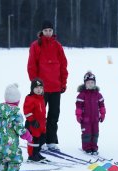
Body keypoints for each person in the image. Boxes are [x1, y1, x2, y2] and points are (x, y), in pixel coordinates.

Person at [27, 20, 68, 151]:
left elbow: (63, 66)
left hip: (56, 87)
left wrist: (63, 83)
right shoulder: (35, 46)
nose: (48, 33)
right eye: (46, 31)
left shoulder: (58, 46)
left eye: (50, 30)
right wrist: (35, 85)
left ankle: (51, 141)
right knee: (39, 116)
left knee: (54, 115)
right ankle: (39, 140)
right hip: (41, 89)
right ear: (42, 32)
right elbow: (31, 66)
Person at [75, 71, 106, 155]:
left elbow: (102, 105)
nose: (90, 84)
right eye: (88, 83)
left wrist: (102, 114)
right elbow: (79, 107)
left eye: (92, 82)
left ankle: (94, 147)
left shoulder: (98, 95)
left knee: (95, 133)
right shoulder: (81, 95)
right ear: (85, 84)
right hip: (85, 119)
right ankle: (87, 148)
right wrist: (79, 116)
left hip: (95, 119)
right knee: (87, 134)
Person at [24, 78, 47, 161]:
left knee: (41, 139)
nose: (39, 90)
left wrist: (44, 120)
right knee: (34, 140)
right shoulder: (30, 98)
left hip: (41, 124)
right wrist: (32, 120)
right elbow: (27, 111)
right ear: (32, 88)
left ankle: (37, 153)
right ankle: (32, 155)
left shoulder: (41, 98)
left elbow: (42, 111)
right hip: (33, 124)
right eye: (36, 88)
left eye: (41, 88)